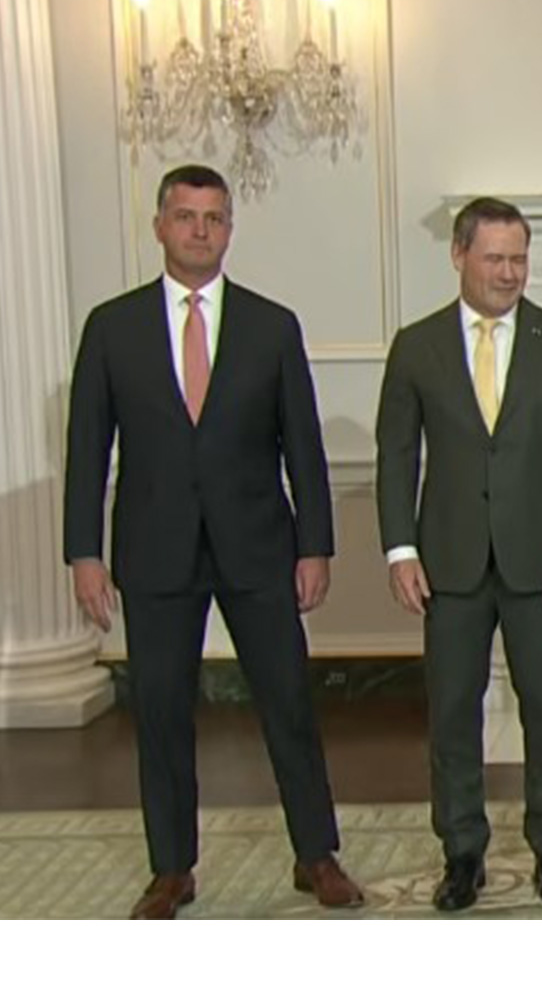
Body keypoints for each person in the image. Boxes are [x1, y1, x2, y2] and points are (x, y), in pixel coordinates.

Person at [63, 164, 362, 919]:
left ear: (230, 229)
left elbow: (303, 446)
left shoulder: (271, 325)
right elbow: (88, 448)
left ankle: (316, 855)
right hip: (154, 550)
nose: (201, 230)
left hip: (259, 546)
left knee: (288, 702)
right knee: (161, 709)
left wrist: (314, 545)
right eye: (187, 216)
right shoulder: (112, 326)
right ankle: (172, 868)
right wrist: (85, 553)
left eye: (215, 218)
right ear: (160, 225)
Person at [376, 197, 542, 912]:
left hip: (541, 565)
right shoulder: (416, 347)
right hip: (446, 564)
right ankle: (462, 852)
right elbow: (395, 457)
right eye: (494, 258)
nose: (509, 273)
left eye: (519, 259)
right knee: (452, 712)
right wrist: (400, 549)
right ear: (458, 255)